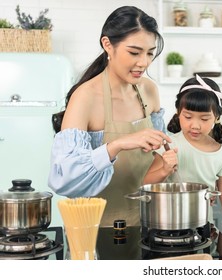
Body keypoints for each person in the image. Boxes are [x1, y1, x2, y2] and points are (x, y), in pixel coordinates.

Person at [48, 6, 171, 227]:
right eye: (134, 52)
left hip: (148, 220)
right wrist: (117, 145)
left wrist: (165, 165)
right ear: (107, 45)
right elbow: (65, 180)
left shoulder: (149, 90)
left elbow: (153, 160)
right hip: (97, 228)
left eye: (150, 53)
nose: (144, 62)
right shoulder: (85, 98)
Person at [143, 75, 222, 241]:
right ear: (178, 113)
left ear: (217, 117)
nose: (195, 125)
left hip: (204, 228)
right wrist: (164, 170)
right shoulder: (169, 144)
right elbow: (146, 183)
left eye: (204, 119)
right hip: (167, 228)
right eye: (188, 117)